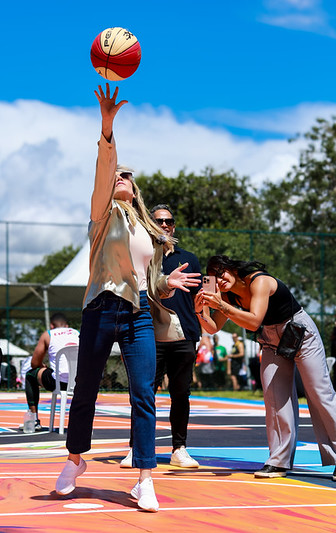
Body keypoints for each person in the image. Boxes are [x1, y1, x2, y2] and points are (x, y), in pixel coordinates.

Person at [54, 84, 200, 512]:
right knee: (86, 390)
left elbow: (148, 283)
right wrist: (107, 126)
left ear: (135, 191)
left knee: (144, 394)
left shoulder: (147, 234)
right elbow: (104, 168)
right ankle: (75, 459)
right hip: (100, 310)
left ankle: (144, 477)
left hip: (136, 315)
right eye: (118, 175)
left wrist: (166, 286)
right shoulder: (101, 216)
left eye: (127, 178)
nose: (121, 179)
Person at [195, 255, 336, 482]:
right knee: (275, 399)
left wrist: (220, 305)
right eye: (213, 277)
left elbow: (253, 321)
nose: (219, 281)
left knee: (319, 394)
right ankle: (278, 461)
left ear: (234, 270)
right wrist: (201, 311)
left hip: (298, 333)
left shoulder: (259, 281)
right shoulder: (228, 296)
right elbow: (212, 329)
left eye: (222, 274)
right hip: (270, 339)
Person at [120, 204, 203, 468]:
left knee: (181, 394)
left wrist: (207, 320)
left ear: (174, 226)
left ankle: (179, 449)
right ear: (149, 224)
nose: (165, 225)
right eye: (159, 221)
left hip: (184, 337)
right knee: (144, 394)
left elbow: (200, 297)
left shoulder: (188, 257)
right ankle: (138, 448)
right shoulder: (142, 257)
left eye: (169, 221)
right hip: (149, 335)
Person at [24, 313, 79, 431]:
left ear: (52, 326)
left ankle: (34, 420)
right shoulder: (77, 333)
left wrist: (44, 366)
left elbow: (34, 363)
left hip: (58, 382)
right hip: (79, 381)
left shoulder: (48, 334)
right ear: (67, 326)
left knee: (30, 375)